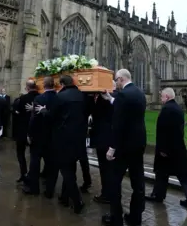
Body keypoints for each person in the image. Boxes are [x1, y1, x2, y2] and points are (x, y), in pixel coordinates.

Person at [100, 69, 147, 226]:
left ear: (120, 79)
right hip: (138, 144)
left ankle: (116, 219)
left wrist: (112, 147)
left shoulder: (123, 95)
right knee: (138, 183)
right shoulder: (139, 93)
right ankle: (135, 218)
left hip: (123, 147)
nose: (117, 84)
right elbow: (128, 110)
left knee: (114, 183)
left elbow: (118, 124)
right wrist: (110, 99)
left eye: (117, 81)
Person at [40, 75, 88, 214]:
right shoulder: (82, 95)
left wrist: (43, 111)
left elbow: (51, 116)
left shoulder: (60, 97)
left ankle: (77, 201)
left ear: (61, 84)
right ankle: (64, 198)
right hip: (78, 138)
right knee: (71, 168)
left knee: (67, 171)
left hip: (63, 139)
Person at [145, 88, 187, 209]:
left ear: (167, 97)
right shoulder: (178, 108)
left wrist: (163, 149)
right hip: (178, 148)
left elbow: (164, 131)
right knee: (183, 175)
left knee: (161, 172)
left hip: (167, 150)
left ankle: (158, 195)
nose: (161, 99)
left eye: (162, 97)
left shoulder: (167, 109)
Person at [23, 76, 58, 195]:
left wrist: (29, 133)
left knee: (35, 162)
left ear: (44, 85)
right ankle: (49, 191)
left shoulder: (40, 98)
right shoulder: (58, 98)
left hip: (38, 136)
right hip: (53, 137)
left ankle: (34, 188)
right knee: (51, 163)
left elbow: (34, 118)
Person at [90, 81, 117, 204]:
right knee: (106, 169)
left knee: (106, 169)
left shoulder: (111, 98)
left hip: (105, 139)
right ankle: (108, 193)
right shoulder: (104, 97)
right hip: (103, 138)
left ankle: (107, 195)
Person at [13, 80, 40, 183]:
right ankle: (33, 175)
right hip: (36, 130)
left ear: (27, 88)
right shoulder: (40, 97)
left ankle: (23, 173)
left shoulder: (23, 98)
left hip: (23, 129)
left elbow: (18, 111)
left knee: (20, 153)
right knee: (35, 155)